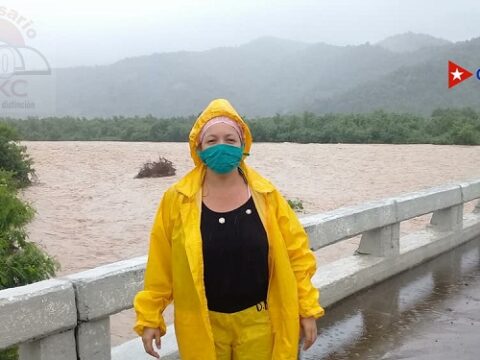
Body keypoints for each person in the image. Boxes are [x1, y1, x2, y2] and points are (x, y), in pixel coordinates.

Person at [133, 98, 324, 359]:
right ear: (198, 147)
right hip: (203, 323)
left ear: (243, 145)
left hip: (261, 322)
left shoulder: (266, 196)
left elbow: (297, 256)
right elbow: (161, 264)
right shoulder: (177, 200)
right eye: (212, 140)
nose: (221, 146)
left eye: (230, 139)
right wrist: (150, 317)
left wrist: (307, 309)